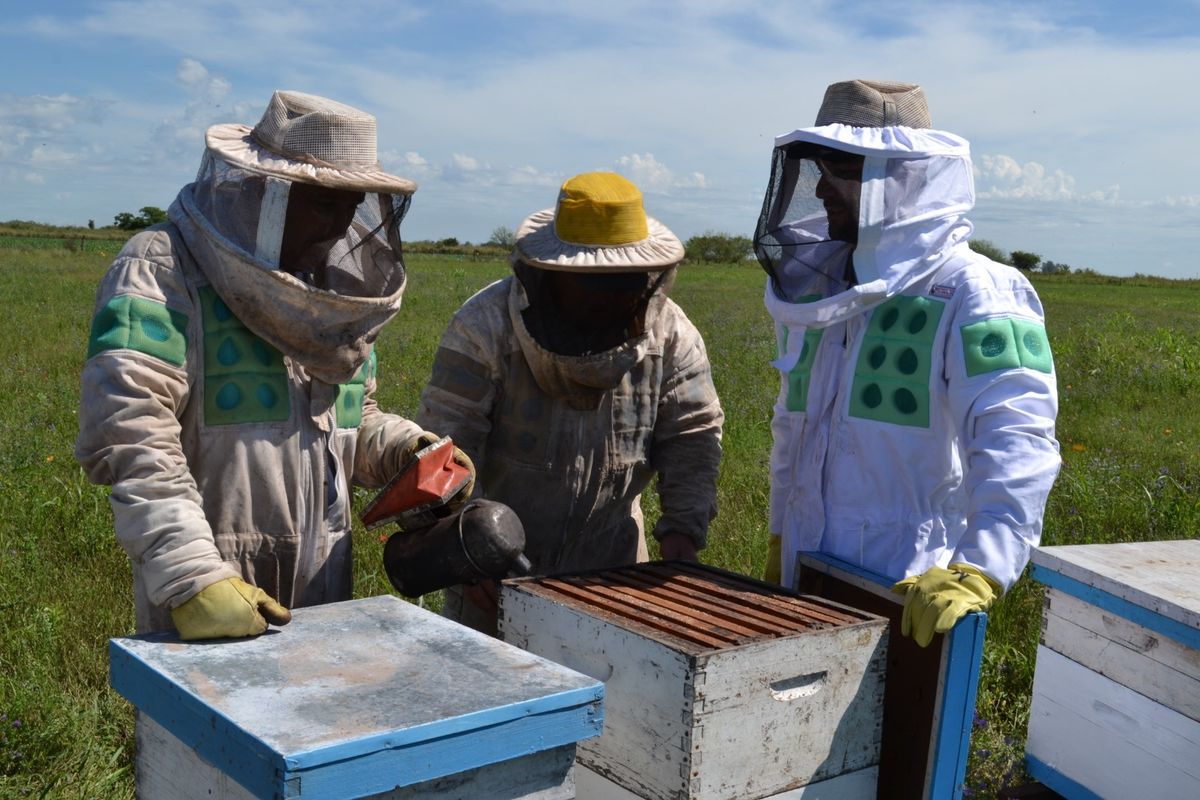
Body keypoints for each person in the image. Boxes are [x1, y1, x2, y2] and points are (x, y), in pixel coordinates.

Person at [75, 90, 473, 640]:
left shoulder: (333, 298)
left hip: (323, 575)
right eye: (321, 204)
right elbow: (129, 432)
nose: (338, 228)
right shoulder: (159, 266)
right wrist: (191, 574)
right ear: (267, 190)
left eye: (350, 205)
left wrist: (406, 450)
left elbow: (347, 425)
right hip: (209, 574)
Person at [754, 80, 1060, 646]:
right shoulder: (825, 293)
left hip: (911, 586)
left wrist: (981, 568)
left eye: (841, 171)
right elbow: (791, 426)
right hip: (807, 572)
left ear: (905, 177)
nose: (821, 190)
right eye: (820, 169)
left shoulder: (978, 291)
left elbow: (1018, 440)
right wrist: (781, 537)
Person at [416, 172, 724, 634]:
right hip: (492, 580)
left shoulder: (673, 335)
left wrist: (682, 532)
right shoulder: (483, 328)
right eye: (593, 281)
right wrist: (464, 546)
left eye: (623, 280)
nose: (608, 296)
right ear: (551, 276)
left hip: (614, 575)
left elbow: (692, 435)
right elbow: (442, 451)